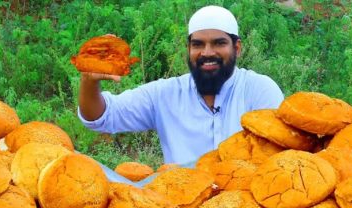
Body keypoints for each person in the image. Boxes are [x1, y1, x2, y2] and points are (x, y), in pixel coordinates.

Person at [77, 5, 284, 164]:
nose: (207, 52)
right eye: (198, 44)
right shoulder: (165, 94)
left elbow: (280, 154)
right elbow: (101, 117)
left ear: (237, 48)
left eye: (219, 43)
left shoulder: (259, 90)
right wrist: (88, 80)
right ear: (188, 49)